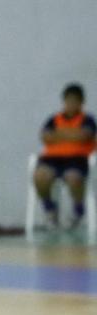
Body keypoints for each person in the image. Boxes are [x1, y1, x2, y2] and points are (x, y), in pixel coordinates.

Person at [34, 83, 95, 228]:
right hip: (52, 159)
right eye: (68, 100)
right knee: (40, 176)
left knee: (73, 177)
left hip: (77, 159)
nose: (71, 104)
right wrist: (72, 134)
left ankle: (78, 210)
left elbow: (84, 136)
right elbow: (45, 136)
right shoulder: (54, 119)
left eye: (75, 101)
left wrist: (59, 134)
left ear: (81, 103)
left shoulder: (88, 119)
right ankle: (50, 209)